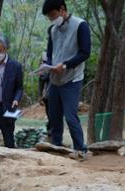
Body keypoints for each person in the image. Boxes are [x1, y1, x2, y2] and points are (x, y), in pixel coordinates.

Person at [42, 0, 91, 159]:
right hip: (55, 79)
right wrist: (47, 65)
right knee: (54, 116)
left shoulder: (81, 25)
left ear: (62, 9)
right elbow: (50, 52)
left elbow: (85, 52)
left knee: (70, 116)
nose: (52, 19)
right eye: (49, 17)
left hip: (72, 79)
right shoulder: (53, 30)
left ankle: (80, 149)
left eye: (53, 15)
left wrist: (64, 66)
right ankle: (57, 147)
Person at [38, 51, 52, 140]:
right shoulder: (45, 57)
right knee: (50, 114)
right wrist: (40, 95)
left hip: (58, 93)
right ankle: (50, 133)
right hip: (48, 94)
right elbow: (41, 80)